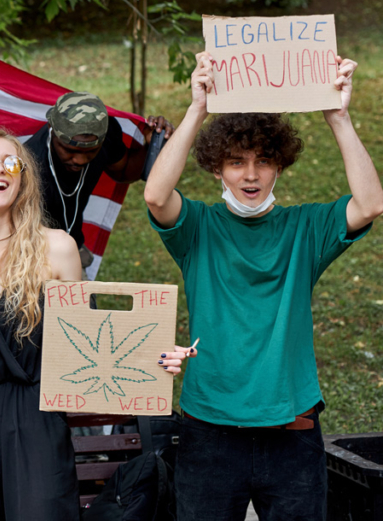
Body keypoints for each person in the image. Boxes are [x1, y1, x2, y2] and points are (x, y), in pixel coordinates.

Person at [144, 53, 382, 521]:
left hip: (291, 427)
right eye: (236, 162)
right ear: (216, 168)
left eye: (263, 161)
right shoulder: (198, 228)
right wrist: (198, 109)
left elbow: (371, 203)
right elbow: (155, 196)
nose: (250, 175)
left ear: (280, 167)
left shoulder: (305, 228)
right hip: (209, 427)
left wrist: (338, 115)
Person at [0, 130, 192, 520]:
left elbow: (88, 343)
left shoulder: (57, 247)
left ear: (24, 178)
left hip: (36, 418)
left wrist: (153, 362)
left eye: (11, 162)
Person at [24, 91, 174, 270]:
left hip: (72, 250)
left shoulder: (107, 133)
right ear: (52, 130)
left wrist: (150, 146)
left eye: (90, 152)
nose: (80, 160)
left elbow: (124, 172)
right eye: (69, 150)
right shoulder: (29, 165)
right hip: (31, 256)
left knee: (83, 299)